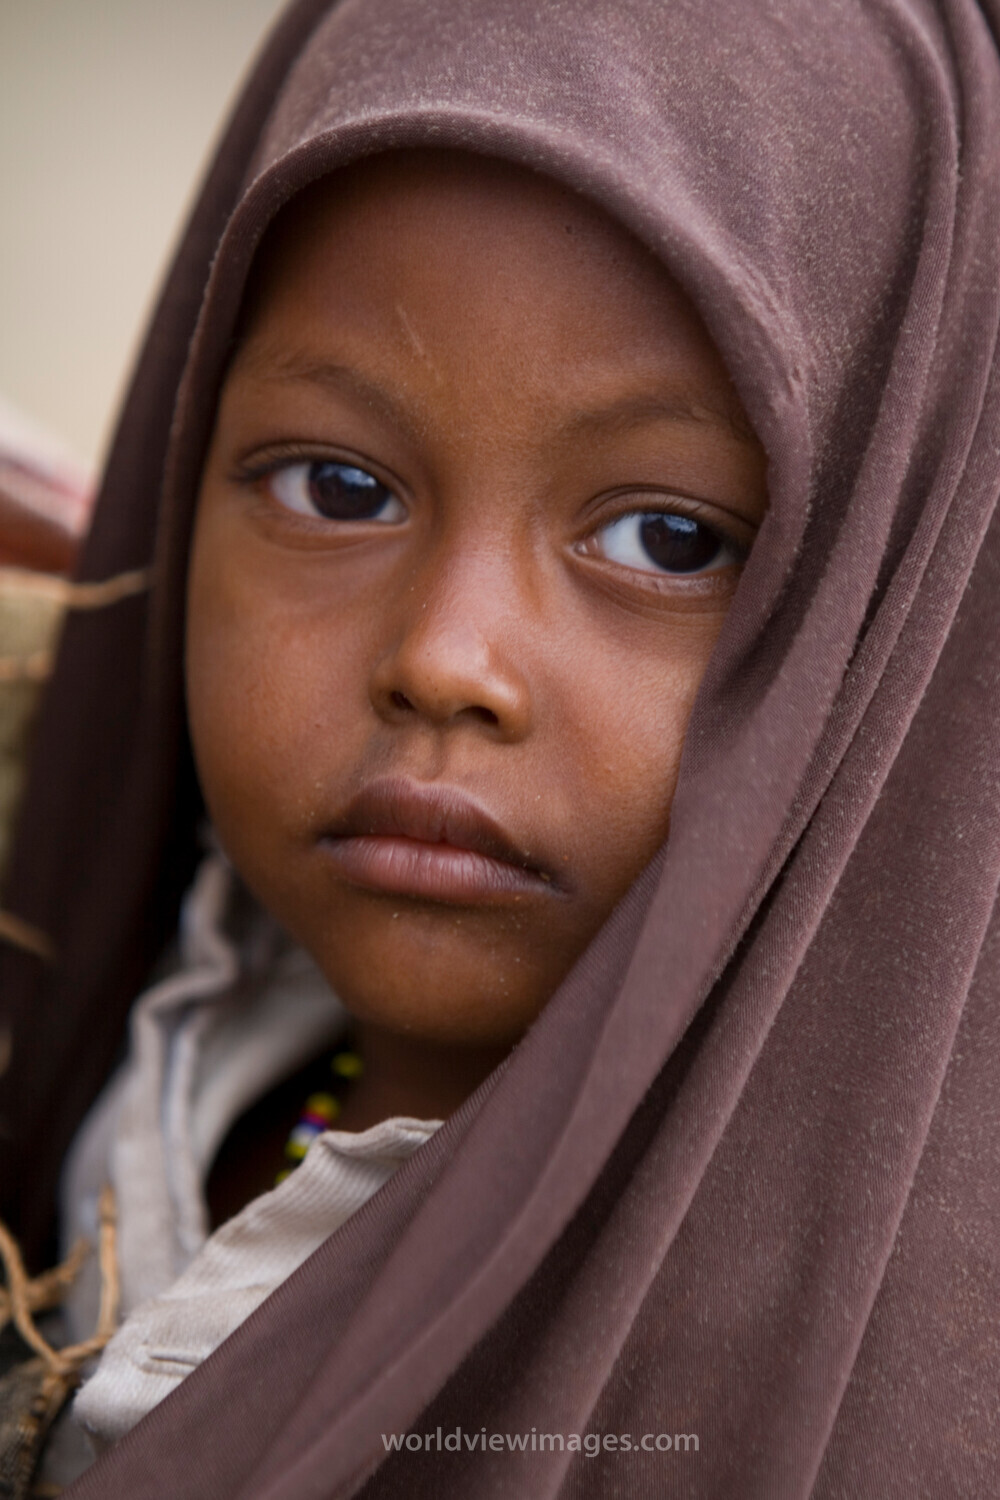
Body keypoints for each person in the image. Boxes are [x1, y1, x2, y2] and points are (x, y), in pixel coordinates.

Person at [1, 0, 998, 1495]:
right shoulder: (110, 1040)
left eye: (669, 538)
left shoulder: (874, 1396)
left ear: (893, 619)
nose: (442, 662)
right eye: (337, 487)